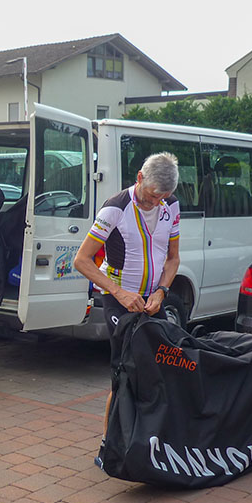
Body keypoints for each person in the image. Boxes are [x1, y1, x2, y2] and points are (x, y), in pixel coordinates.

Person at [72, 152, 181, 462]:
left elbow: (173, 258)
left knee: (159, 369)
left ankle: (153, 437)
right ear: (139, 179)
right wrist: (119, 292)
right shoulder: (115, 208)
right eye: (149, 197)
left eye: (162, 198)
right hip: (119, 299)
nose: (154, 203)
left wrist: (162, 291)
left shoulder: (170, 206)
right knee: (124, 371)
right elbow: (81, 260)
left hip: (152, 300)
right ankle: (110, 443)